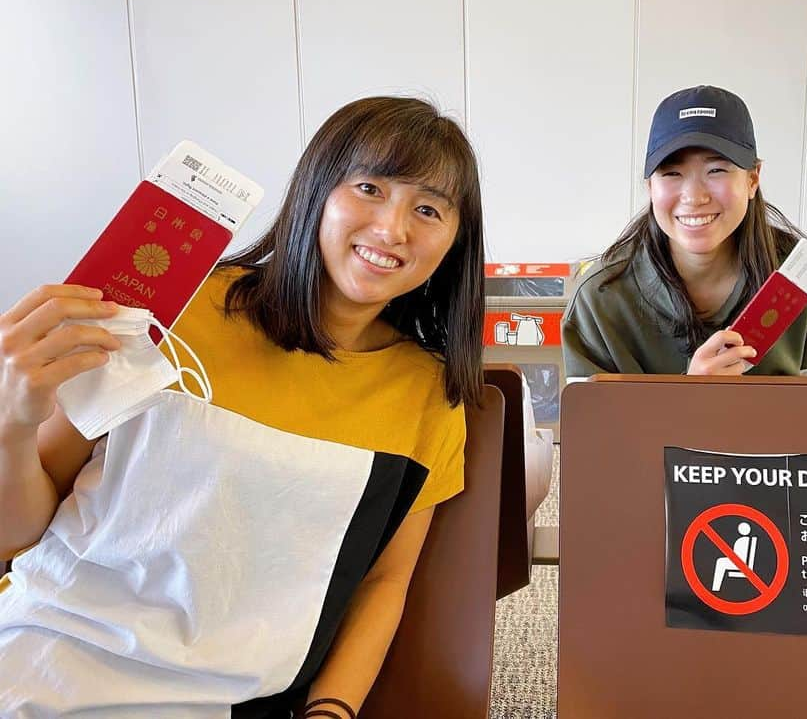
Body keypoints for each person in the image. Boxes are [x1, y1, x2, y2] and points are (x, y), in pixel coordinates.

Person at [0, 97, 485, 717]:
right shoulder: (170, 311)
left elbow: (382, 582)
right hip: (49, 658)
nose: (393, 230)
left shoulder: (428, 394)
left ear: (454, 241)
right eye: (369, 188)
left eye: (428, 209)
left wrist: (331, 710)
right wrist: (14, 422)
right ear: (317, 189)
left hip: (232, 696)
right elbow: (20, 535)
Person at [562, 85, 807, 380]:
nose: (694, 196)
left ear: (752, 179)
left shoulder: (797, 282)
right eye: (672, 173)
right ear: (650, 186)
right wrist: (690, 399)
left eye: (716, 170)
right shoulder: (600, 301)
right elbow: (592, 425)